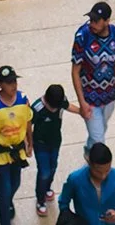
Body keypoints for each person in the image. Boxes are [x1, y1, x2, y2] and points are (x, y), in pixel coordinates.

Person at [70, 1, 115, 149]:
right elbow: (75, 71)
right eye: (91, 20)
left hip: (109, 96)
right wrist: (82, 102)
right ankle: (94, 161)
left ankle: (89, 149)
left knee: (100, 130)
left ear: (107, 21)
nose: (92, 23)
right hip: (89, 97)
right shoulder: (82, 36)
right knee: (99, 141)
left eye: (96, 21)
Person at [0, 65, 36, 225]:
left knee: (16, 183)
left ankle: (8, 199)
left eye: (14, 81)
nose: (13, 85)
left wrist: (30, 143)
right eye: (9, 83)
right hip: (0, 154)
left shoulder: (23, 99)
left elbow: (28, 121)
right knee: (4, 192)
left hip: (18, 151)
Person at [57, 142, 115, 225]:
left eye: (107, 170)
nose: (103, 176)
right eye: (98, 172)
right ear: (89, 163)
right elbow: (63, 202)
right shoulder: (75, 179)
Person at [32, 85, 72, 217]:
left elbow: (68, 106)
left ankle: (47, 187)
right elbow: (27, 125)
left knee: (53, 166)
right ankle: (40, 199)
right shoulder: (37, 108)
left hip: (55, 142)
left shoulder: (61, 101)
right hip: (40, 144)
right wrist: (27, 142)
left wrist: (82, 111)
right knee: (44, 172)